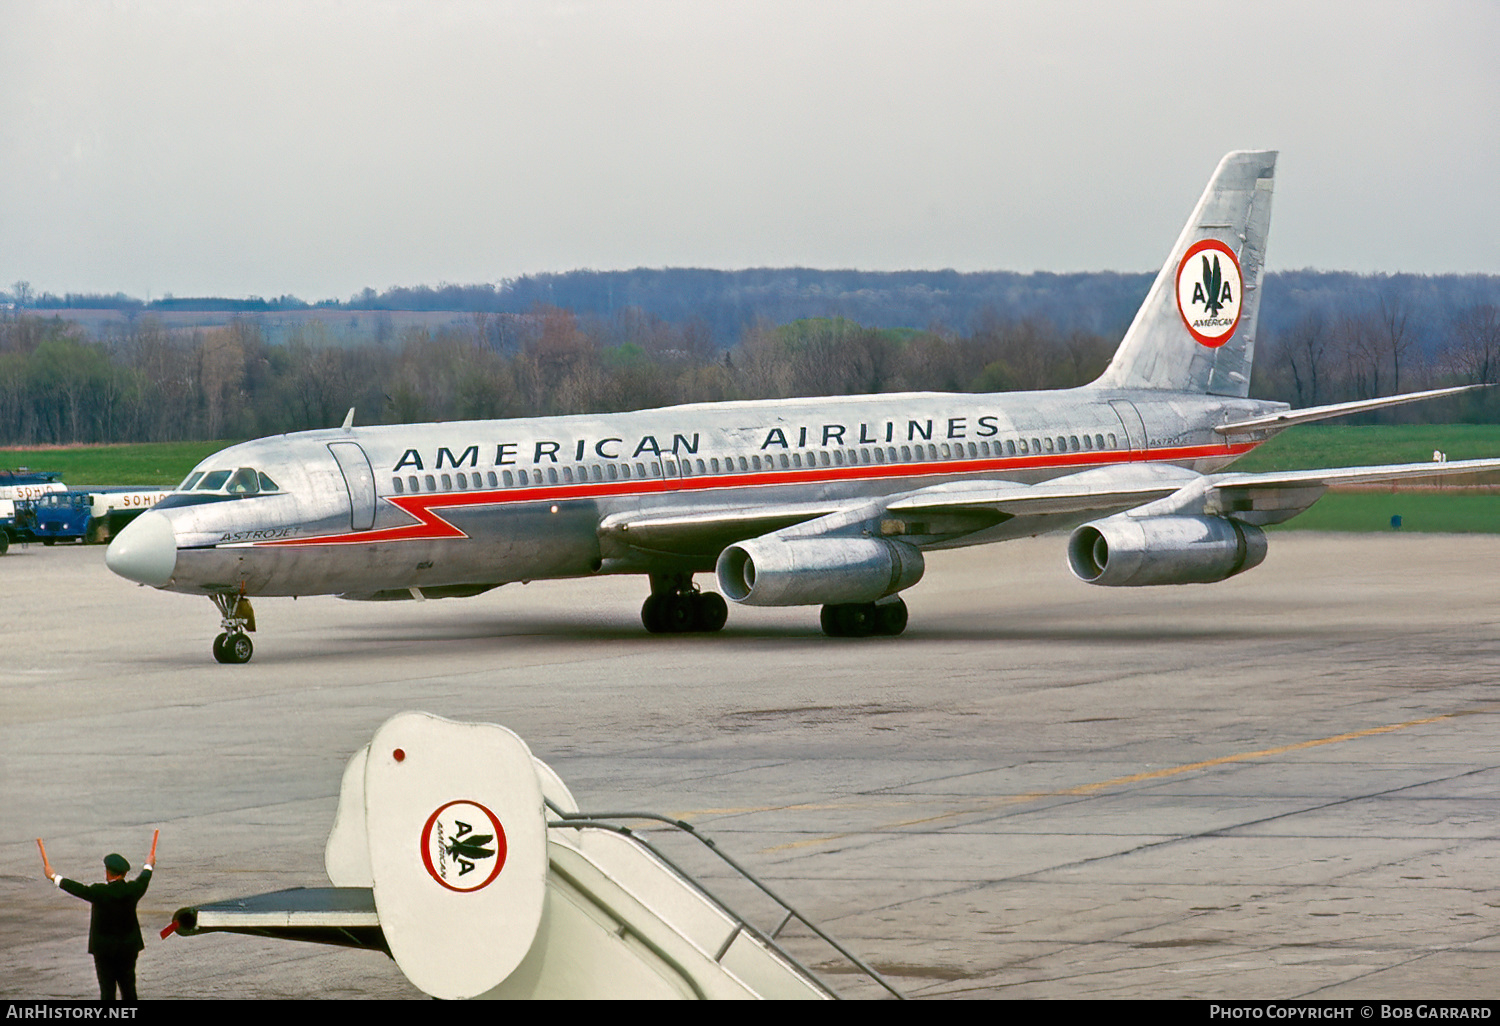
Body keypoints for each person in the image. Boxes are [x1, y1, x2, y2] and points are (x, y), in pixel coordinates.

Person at [37, 831, 158, 1002]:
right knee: (129, 989)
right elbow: (144, 878)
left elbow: (77, 889)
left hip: (104, 951)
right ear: (123, 873)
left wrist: (53, 877)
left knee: (107, 992)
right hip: (128, 949)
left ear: (108, 872)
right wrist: (149, 864)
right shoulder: (133, 890)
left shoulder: (98, 892)